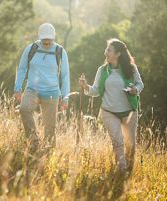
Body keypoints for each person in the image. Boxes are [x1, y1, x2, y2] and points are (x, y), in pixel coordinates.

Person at [79, 38, 144, 174]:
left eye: (109, 50)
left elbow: (140, 84)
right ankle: (122, 171)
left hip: (129, 112)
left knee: (130, 145)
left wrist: (135, 90)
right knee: (118, 142)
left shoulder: (130, 68)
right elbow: (96, 91)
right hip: (109, 111)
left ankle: (129, 172)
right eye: (106, 49)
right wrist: (86, 86)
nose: (105, 52)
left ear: (118, 54)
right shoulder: (102, 70)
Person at [14, 23, 70, 151]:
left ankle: (48, 154)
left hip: (51, 93)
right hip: (32, 90)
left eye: (49, 39)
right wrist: (17, 88)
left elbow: (65, 76)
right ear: (40, 37)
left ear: (53, 38)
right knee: (24, 109)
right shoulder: (31, 48)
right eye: (44, 39)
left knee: (50, 128)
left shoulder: (60, 51)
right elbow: (22, 69)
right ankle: (34, 142)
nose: (46, 42)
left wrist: (65, 97)